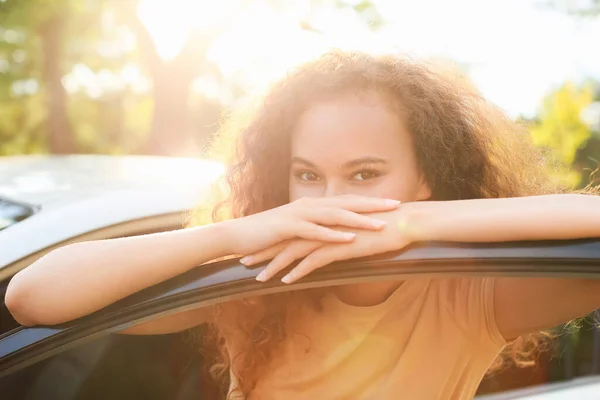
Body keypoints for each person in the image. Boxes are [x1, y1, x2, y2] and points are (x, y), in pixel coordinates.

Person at [6, 51, 600, 400]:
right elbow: (32, 298)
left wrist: (415, 223)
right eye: (308, 176)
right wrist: (233, 234)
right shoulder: (254, 283)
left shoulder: (467, 295)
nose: (329, 202)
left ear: (428, 177)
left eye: (365, 174)